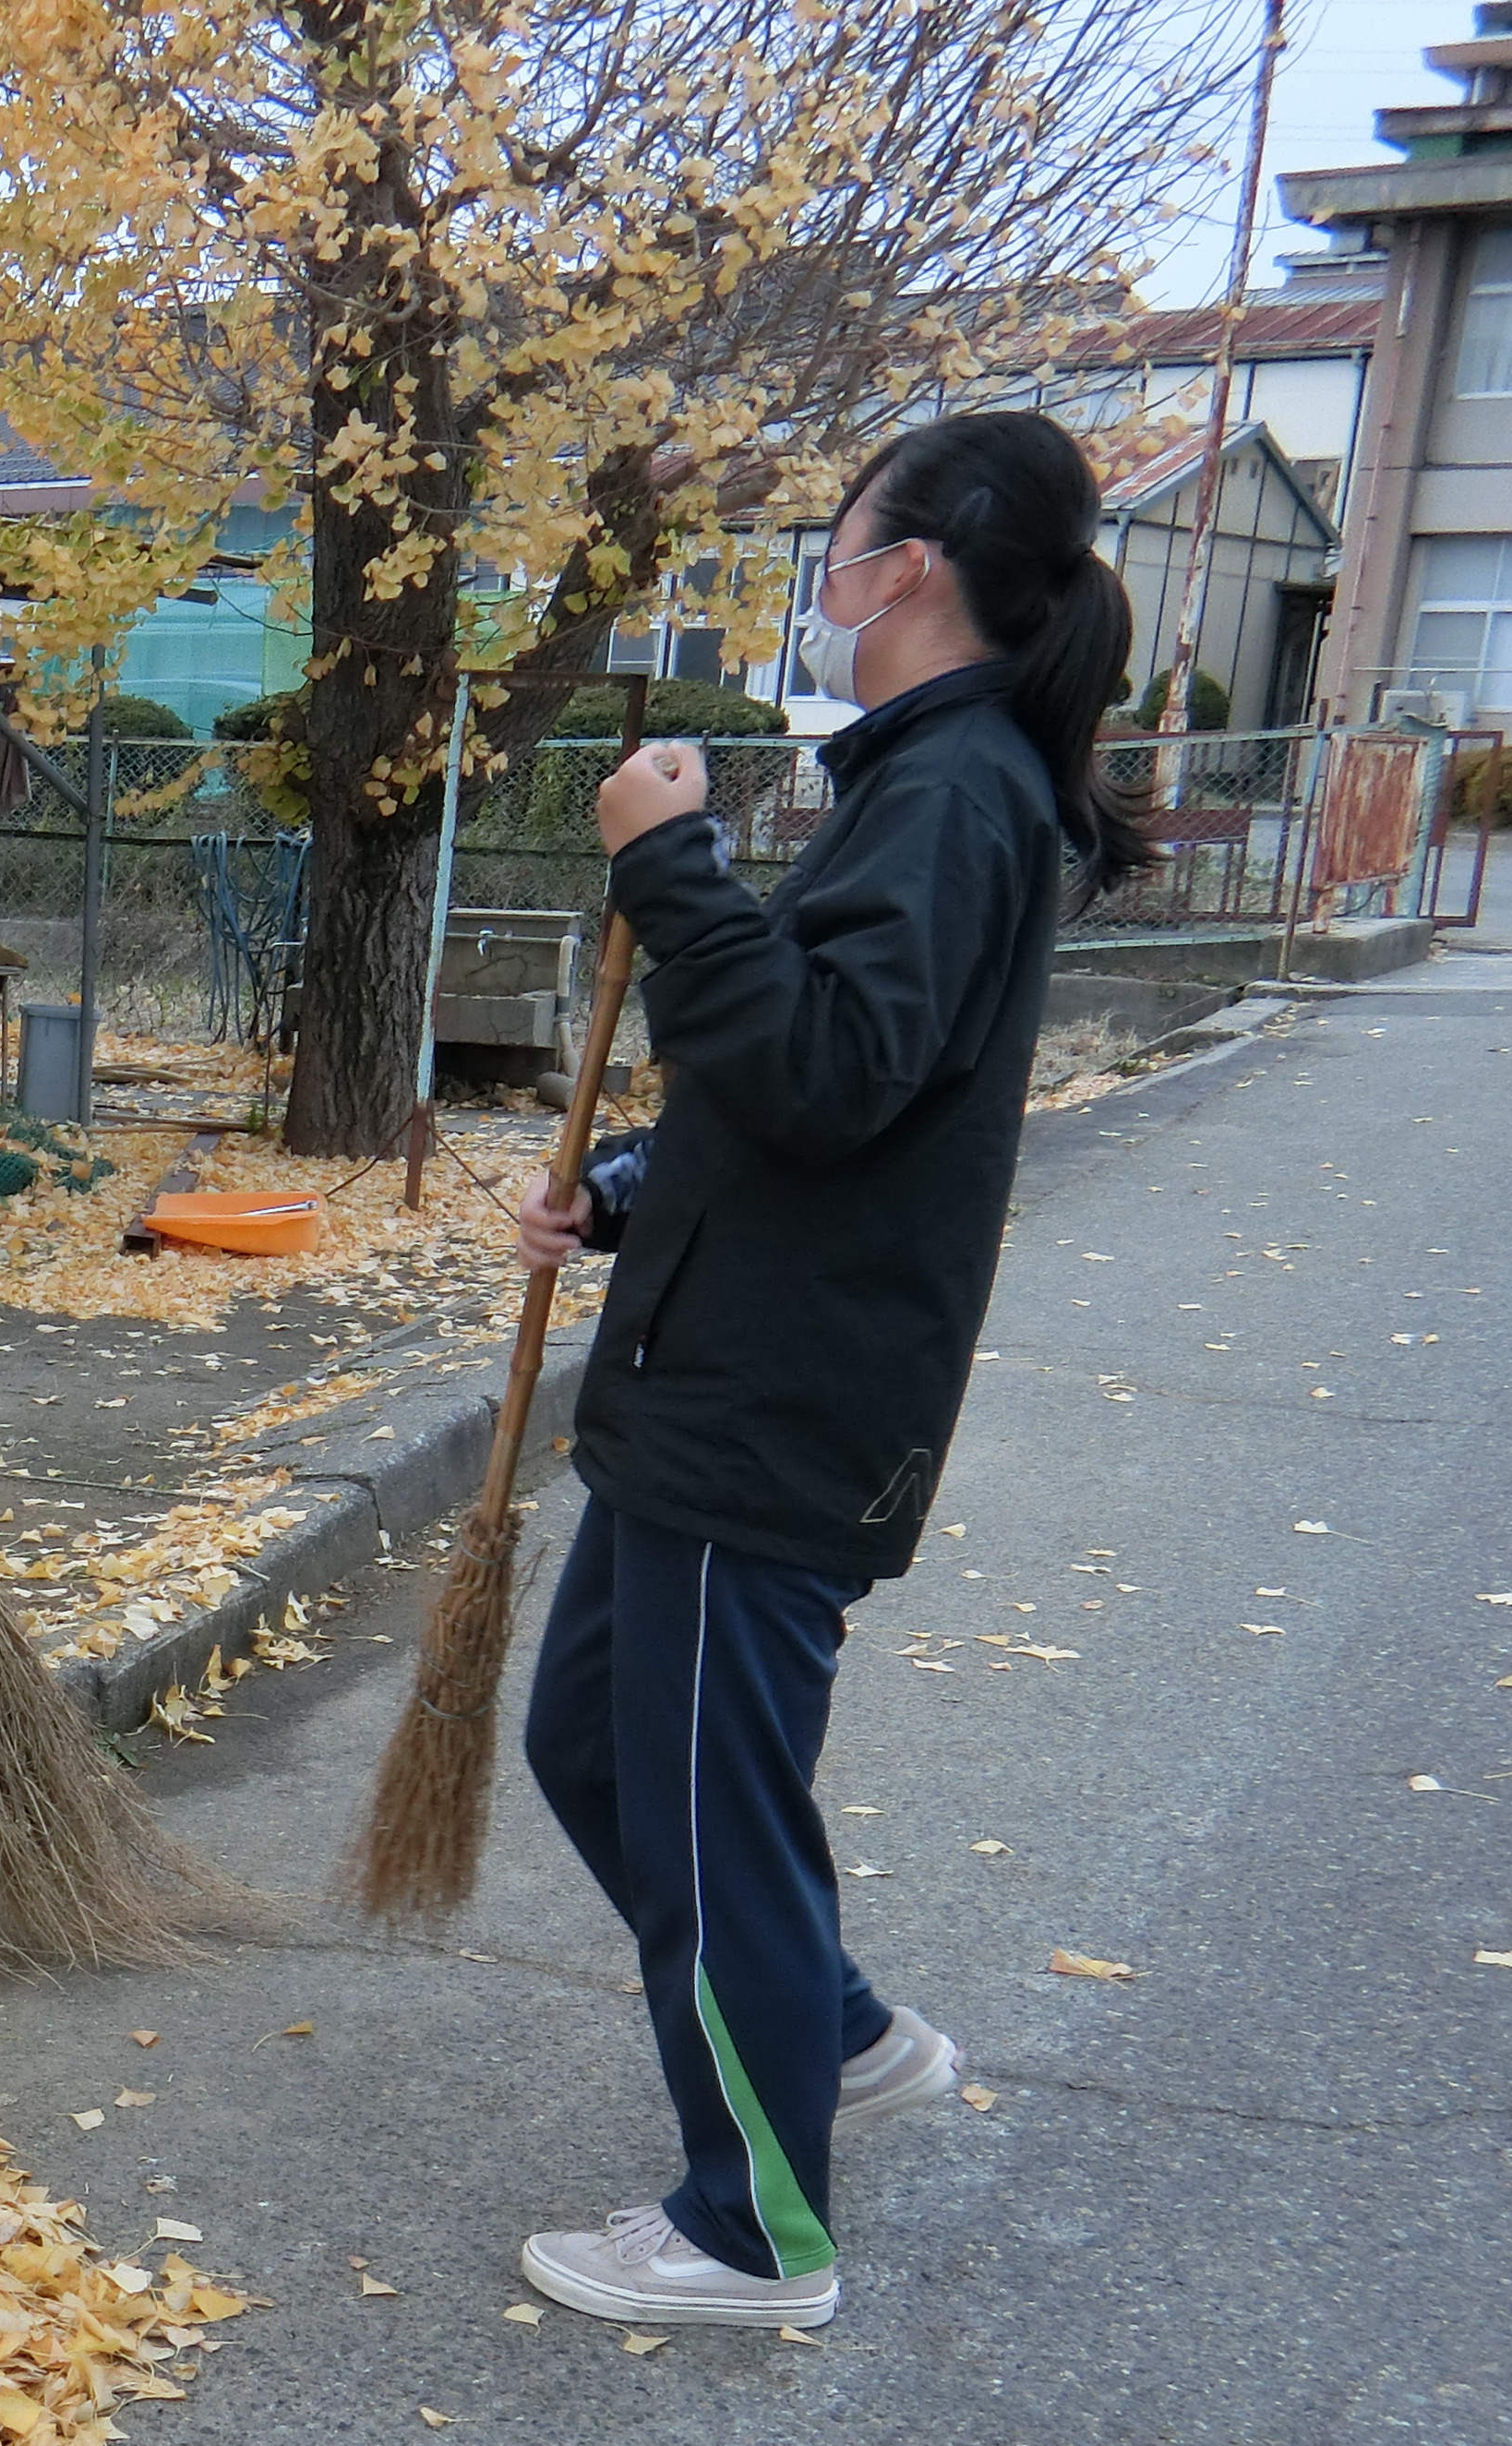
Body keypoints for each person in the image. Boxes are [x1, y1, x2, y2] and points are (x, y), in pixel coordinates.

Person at [507, 409, 1156, 2327]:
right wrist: (628, 1191)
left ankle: (754, 2229)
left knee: (714, 1806)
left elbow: (819, 1067)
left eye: (843, 538)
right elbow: (829, 1087)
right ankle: (838, 2031)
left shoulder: (957, 792)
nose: (825, 573)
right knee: (592, 1742)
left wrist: (673, 868)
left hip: (773, 1407)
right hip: (718, 1363)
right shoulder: (926, 782)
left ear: (921, 563)